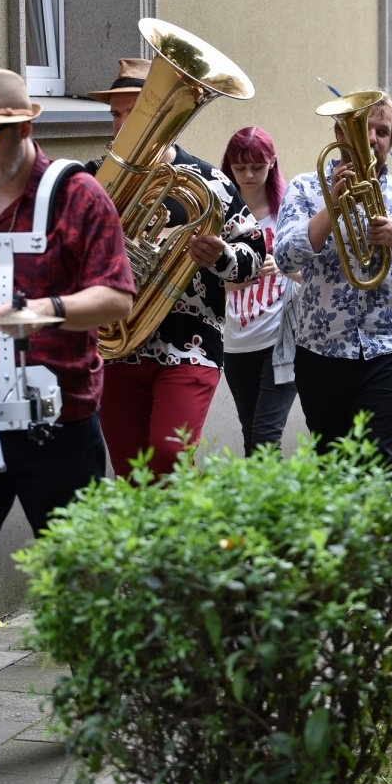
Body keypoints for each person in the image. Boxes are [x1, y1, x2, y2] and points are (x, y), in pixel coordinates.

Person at [0, 68, 135, 784]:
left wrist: (47, 311)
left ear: (26, 129)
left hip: (59, 418)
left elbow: (116, 295)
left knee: (76, 575)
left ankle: (96, 712)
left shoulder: (77, 196)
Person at [86, 59, 265, 477]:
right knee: (131, 472)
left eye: (135, 114)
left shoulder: (210, 182)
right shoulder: (95, 180)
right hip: (116, 347)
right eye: (117, 115)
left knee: (169, 459)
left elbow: (253, 258)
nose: (123, 125)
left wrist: (220, 257)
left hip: (190, 343)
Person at [274, 90, 392, 473]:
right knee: (331, 466)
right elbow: (285, 256)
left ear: (391, 141)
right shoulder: (306, 188)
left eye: (383, 131)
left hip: (387, 349)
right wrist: (331, 209)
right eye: (364, 128)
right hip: (321, 352)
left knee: (378, 464)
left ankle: (380, 535)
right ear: (340, 134)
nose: (372, 138)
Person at [221, 126, 297, 455]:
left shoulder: (288, 213)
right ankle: (265, 506)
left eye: (258, 167)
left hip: (280, 340)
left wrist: (283, 266)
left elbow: (316, 274)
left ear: (272, 164)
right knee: (252, 438)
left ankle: (274, 506)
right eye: (240, 168)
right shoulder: (219, 215)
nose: (249, 175)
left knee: (266, 436)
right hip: (236, 343)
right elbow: (199, 278)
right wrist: (229, 280)